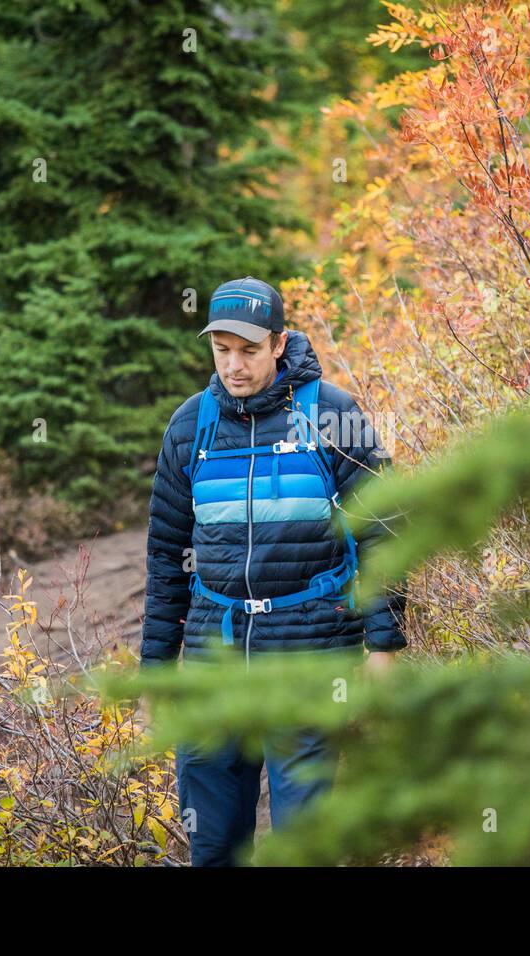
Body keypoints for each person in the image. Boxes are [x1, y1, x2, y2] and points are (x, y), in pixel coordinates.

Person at [140, 275, 407, 866]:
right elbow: (166, 557)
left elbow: (380, 530)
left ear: (279, 343)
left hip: (311, 651)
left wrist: (384, 644)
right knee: (212, 843)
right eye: (222, 350)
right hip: (215, 653)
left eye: (249, 350)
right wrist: (156, 666)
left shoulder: (333, 415)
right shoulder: (191, 427)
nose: (234, 365)